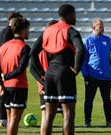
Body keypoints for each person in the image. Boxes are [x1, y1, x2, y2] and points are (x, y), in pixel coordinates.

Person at [30, 4, 85, 135]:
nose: (76, 17)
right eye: (74, 14)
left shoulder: (47, 30)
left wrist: (41, 72)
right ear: (69, 15)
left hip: (50, 72)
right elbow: (81, 49)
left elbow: (32, 52)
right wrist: (76, 69)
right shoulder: (70, 30)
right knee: (68, 113)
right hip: (65, 72)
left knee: (49, 114)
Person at [0, 17, 30, 135]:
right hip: (18, 86)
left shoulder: (3, 46)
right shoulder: (24, 47)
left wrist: (0, 82)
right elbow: (20, 69)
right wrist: (7, 76)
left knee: (10, 118)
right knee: (15, 118)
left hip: (6, 87)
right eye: (28, 29)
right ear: (23, 30)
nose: (28, 32)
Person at [30, 20, 63, 134]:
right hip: (56, 85)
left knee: (46, 115)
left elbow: (32, 69)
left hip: (43, 86)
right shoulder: (56, 48)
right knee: (66, 114)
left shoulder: (37, 48)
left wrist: (42, 82)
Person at [81, 18, 111, 128]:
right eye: (100, 26)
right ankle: (87, 121)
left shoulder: (108, 40)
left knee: (107, 100)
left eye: (103, 26)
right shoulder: (87, 41)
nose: (102, 28)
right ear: (93, 28)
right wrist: (85, 74)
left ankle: (109, 121)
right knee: (89, 100)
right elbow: (82, 60)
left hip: (106, 76)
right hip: (92, 76)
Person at [0, 12, 23, 127]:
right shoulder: (8, 32)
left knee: (5, 91)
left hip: (4, 65)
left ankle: (6, 119)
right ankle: (4, 119)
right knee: (4, 91)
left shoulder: (8, 32)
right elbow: (2, 51)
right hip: (4, 65)